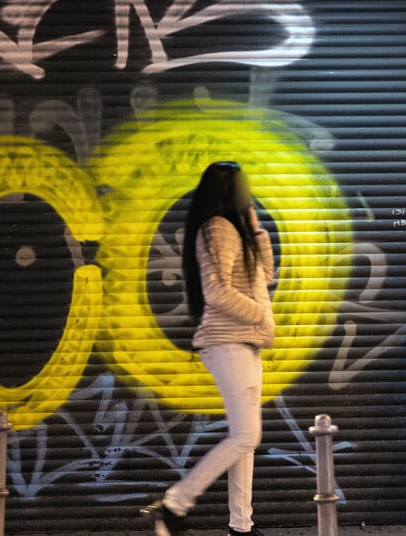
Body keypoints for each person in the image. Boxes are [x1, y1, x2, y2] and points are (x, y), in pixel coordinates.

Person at [143, 161, 274, 536]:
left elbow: (266, 274)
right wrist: (259, 318)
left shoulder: (234, 229)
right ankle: (175, 505)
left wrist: (254, 224)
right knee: (246, 436)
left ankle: (241, 525)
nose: (249, 192)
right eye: (243, 187)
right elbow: (216, 292)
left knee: (244, 439)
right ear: (227, 191)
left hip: (243, 342)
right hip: (227, 340)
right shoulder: (216, 229)